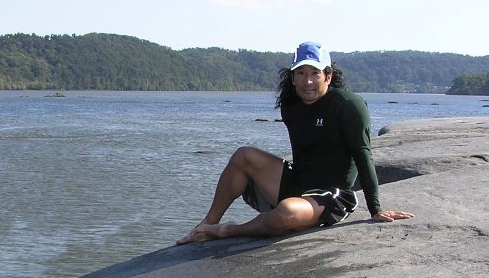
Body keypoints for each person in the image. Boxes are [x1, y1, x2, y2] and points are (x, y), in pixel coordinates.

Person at [176, 40, 413, 245]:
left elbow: (363, 155)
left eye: (314, 73)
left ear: (328, 76)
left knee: (286, 213)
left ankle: (226, 231)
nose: (307, 81)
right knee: (243, 155)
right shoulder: (291, 104)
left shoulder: (349, 106)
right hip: (298, 182)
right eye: (300, 73)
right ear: (292, 76)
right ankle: (205, 226)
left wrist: (376, 210)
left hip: (331, 194)